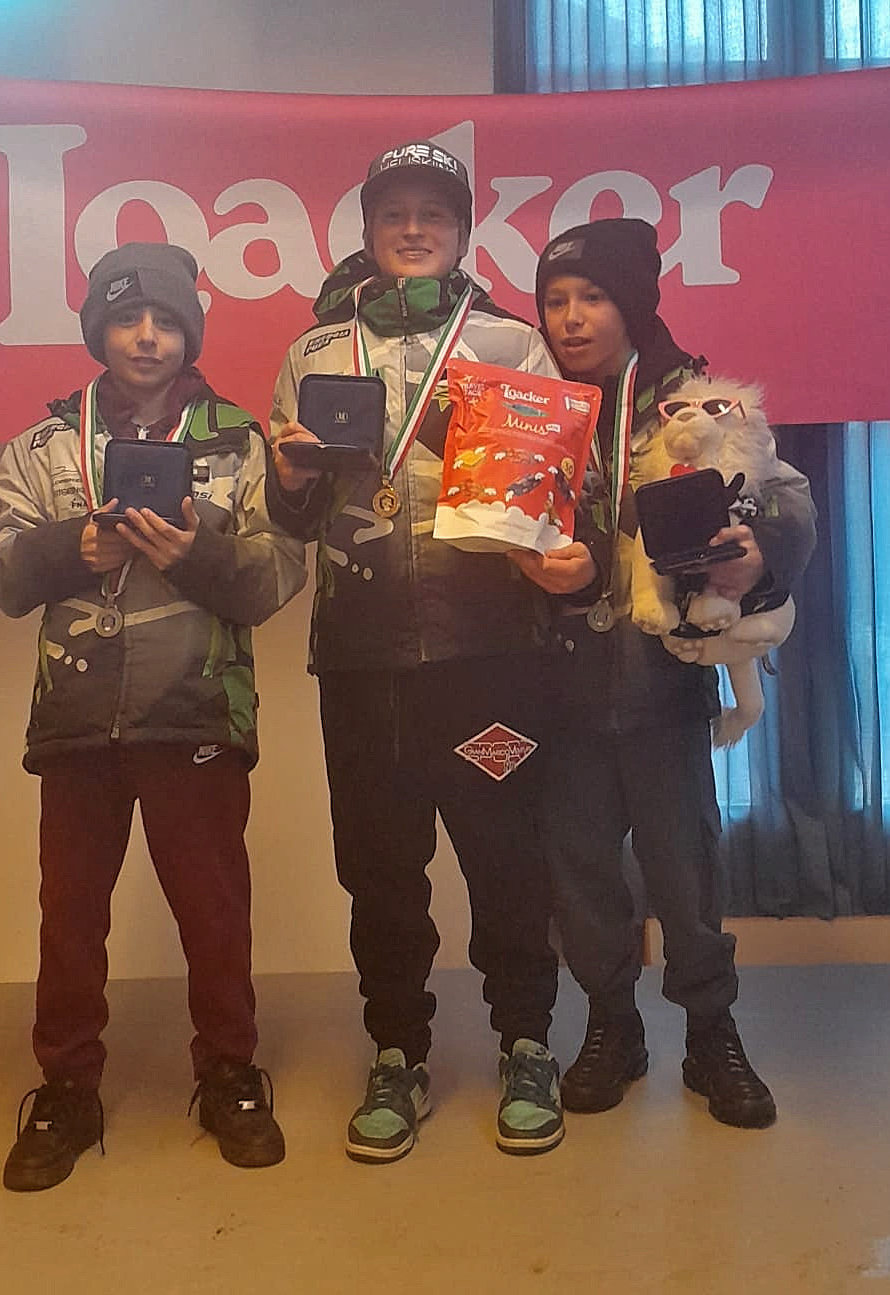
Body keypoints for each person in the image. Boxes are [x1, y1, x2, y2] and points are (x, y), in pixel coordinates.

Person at [0, 242, 307, 1190]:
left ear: (190, 332)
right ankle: (67, 1087)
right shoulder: (45, 446)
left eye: (164, 320)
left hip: (196, 713)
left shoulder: (238, 443)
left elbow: (276, 575)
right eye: (126, 318)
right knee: (69, 916)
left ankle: (230, 1074)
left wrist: (192, 554)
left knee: (214, 909)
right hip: (76, 720)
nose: (147, 336)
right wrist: (70, 547)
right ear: (98, 332)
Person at [266, 141, 579, 1162]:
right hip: (361, 664)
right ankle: (396, 1049)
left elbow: (549, 498)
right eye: (393, 213)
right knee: (379, 867)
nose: (412, 229)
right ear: (366, 231)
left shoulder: (509, 343)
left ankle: (525, 1041)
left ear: (460, 232)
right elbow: (287, 515)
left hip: (489, 656)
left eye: (432, 214)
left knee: (505, 851)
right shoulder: (315, 349)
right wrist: (289, 481)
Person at [516, 219, 816, 1129]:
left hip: (662, 684)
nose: (571, 318)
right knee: (580, 877)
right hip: (558, 689)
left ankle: (710, 1032)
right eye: (555, 301)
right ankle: (611, 1025)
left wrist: (757, 553)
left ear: (634, 304)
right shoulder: (526, 408)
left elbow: (785, 498)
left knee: (685, 875)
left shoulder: (697, 402)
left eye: (592, 298)